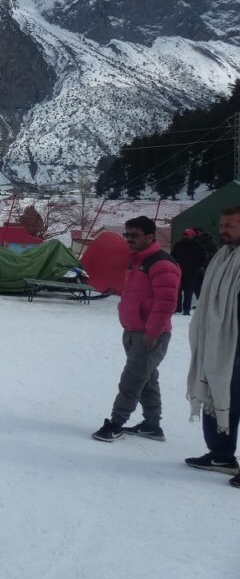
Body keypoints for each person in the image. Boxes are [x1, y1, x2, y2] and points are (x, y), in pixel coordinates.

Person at [92, 216, 180, 442]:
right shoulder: (136, 260)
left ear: (150, 237)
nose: (129, 239)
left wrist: (153, 332)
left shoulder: (161, 263)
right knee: (147, 378)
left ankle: (116, 423)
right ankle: (152, 424)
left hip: (150, 334)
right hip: (133, 330)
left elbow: (166, 302)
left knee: (132, 379)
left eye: (134, 235)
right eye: (126, 234)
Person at [185, 206, 240, 485]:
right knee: (218, 392)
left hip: (235, 340)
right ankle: (221, 455)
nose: (223, 229)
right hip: (218, 340)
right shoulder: (223, 255)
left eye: (230, 225)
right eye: (222, 224)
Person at [172, 228, 207, 316]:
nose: (185, 236)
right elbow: (172, 256)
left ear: (193, 236)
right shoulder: (178, 245)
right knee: (177, 291)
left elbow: (203, 259)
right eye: (184, 234)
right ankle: (177, 308)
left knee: (188, 293)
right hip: (179, 272)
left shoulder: (198, 246)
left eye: (187, 235)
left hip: (192, 273)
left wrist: (198, 268)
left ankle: (186, 310)